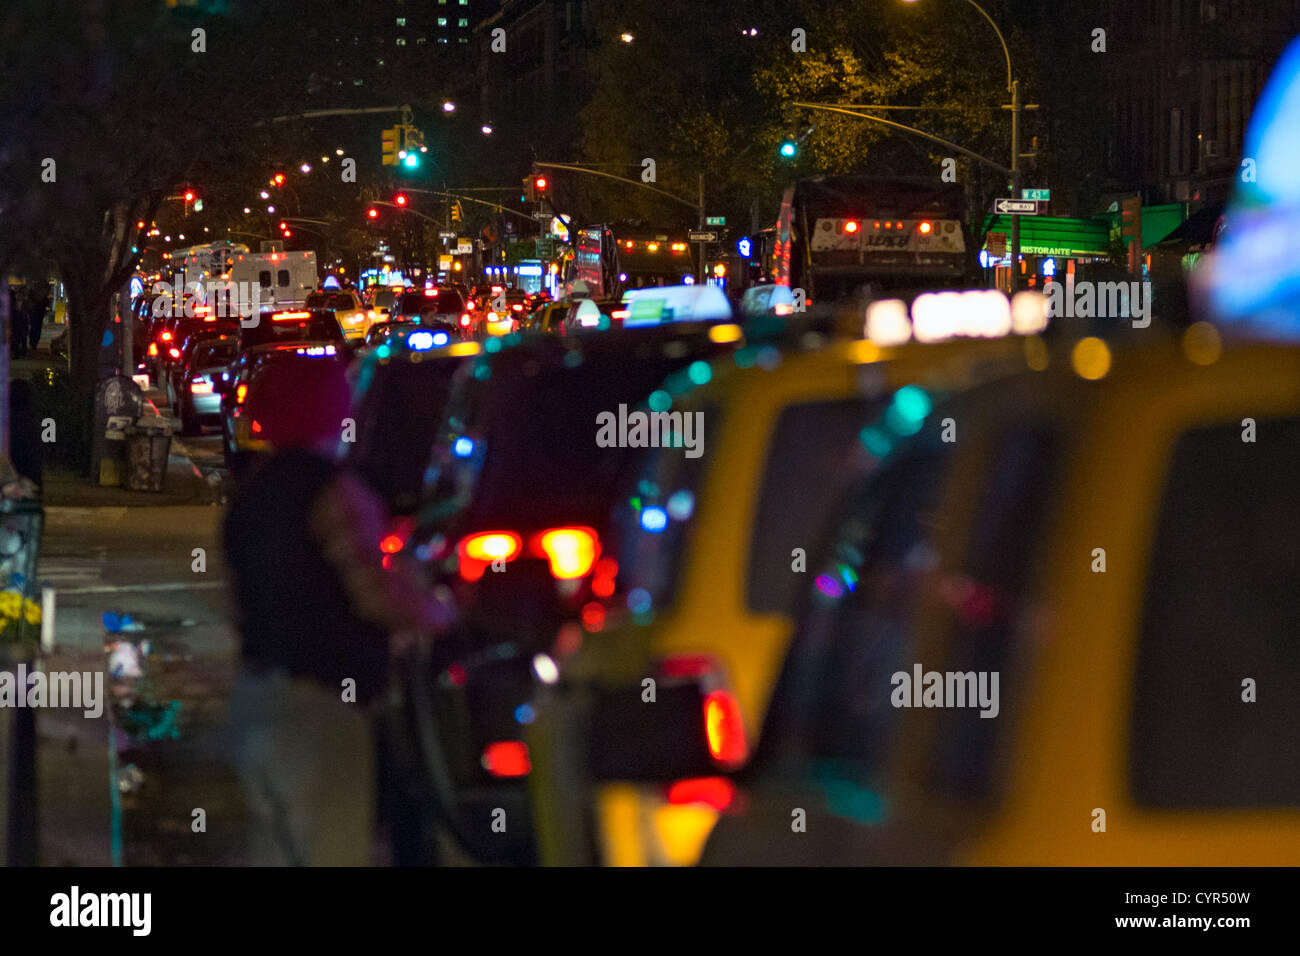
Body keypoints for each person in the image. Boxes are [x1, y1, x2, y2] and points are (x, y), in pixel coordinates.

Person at [224, 355, 454, 866]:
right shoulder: (335, 491)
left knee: (275, 852)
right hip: (323, 709)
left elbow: (238, 604)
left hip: (257, 699)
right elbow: (373, 593)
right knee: (333, 850)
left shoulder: (250, 496)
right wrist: (440, 614)